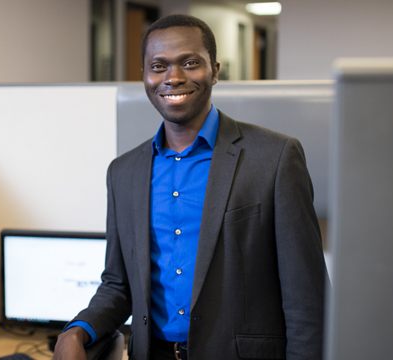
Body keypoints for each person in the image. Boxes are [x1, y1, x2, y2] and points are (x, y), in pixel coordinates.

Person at [54, 14, 327, 360]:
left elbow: (307, 299)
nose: (173, 77)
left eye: (189, 63)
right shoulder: (124, 173)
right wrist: (77, 330)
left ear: (215, 70)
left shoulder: (274, 158)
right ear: (144, 77)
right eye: (158, 66)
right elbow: (118, 286)